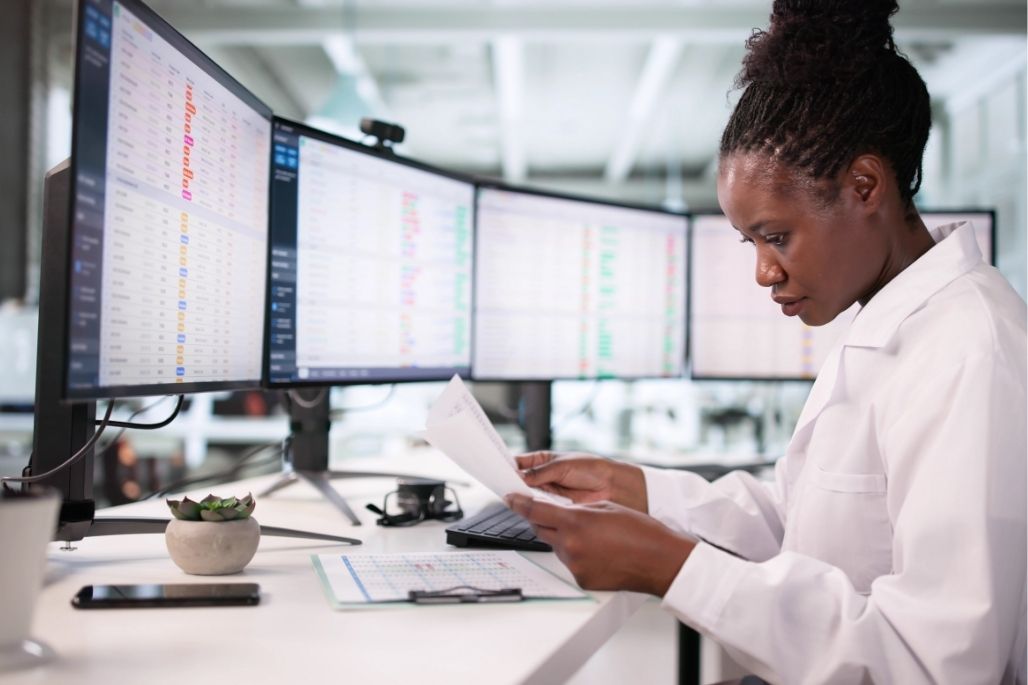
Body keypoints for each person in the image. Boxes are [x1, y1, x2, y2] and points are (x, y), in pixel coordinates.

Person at [504, 1, 1028, 682]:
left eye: (776, 237)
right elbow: (802, 522)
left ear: (865, 186)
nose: (762, 271)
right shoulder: (891, 319)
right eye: (750, 241)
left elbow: (934, 664)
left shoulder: (969, 351)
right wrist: (634, 488)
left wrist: (670, 566)